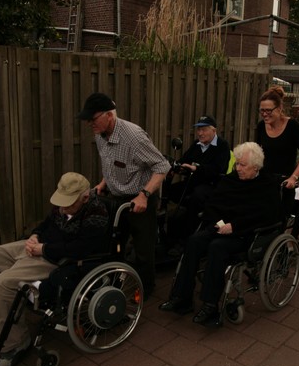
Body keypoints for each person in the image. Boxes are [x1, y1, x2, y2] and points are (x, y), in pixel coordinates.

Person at [0, 173, 108, 366]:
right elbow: (46, 224)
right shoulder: (64, 205)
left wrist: (43, 249)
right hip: (41, 247)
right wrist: (34, 236)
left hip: (59, 260)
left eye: (68, 204)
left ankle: (16, 343)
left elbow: (80, 249)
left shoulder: (97, 214)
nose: (62, 208)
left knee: (4, 282)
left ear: (84, 198)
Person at [159, 142, 281, 327]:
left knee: (217, 247)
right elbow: (213, 204)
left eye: (243, 165)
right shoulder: (231, 180)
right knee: (194, 241)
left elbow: (267, 216)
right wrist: (220, 223)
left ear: (256, 167)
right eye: (237, 164)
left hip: (246, 234)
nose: (238, 168)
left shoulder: (267, 185)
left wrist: (235, 226)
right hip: (220, 227)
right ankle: (182, 298)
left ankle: (210, 305)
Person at [77, 92, 170, 298]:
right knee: (114, 244)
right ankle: (113, 285)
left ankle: (145, 290)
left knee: (143, 249)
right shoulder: (100, 134)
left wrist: (144, 194)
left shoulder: (134, 137)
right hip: (117, 197)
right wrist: (103, 183)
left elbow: (162, 166)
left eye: (93, 119)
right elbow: (112, 162)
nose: (89, 124)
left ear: (109, 115)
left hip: (141, 198)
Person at [164, 114, 231, 242]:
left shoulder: (222, 145)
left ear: (214, 130)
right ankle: (168, 228)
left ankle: (188, 236)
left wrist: (196, 169)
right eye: (198, 130)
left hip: (211, 185)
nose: (200, 133)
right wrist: (177, 166)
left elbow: (218, 169)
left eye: (204, 129)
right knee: (171, 191)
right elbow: (185, 160)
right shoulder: (197, 144)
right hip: (193, 182)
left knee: (196, 196)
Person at [255, 85, 299, 216]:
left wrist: (293, 177)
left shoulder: (293, 126)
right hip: (265, 179)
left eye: (268, 110)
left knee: (280, 216)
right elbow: (257, 152)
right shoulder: (261, 126)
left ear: (279, 108)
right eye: (262, 110)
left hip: (285, 181)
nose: (264, 114)